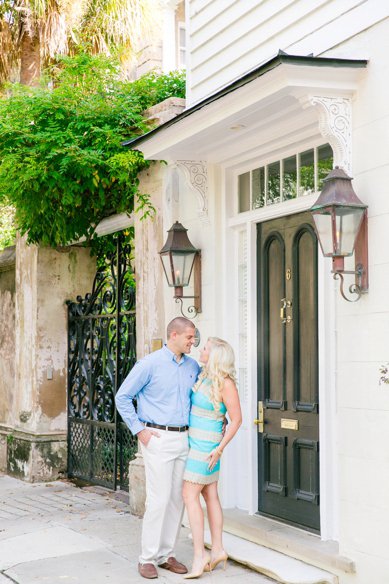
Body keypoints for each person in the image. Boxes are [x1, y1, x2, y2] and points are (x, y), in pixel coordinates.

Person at [115, 317, 200, 580]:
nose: (193, 341)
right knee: (158, 499)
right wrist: (140, 431)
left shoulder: (193, 366)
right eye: (189, 337)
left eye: (194, 337)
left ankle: (166, 555)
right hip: (158, 438)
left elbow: (201, 399)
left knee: (178, 499)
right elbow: (122, 397)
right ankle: (147, 558)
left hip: (185, 438)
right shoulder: (149, 364)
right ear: (173, 335)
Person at [182, 337, 242, 579]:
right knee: (209, 494)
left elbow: (236, 419)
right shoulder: (205, 376)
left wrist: (219, 449)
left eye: (204, 348)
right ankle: (217, 549)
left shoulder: (226, 383)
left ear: (215, 355)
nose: (200, 350)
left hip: (206, 447)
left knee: (189, 494)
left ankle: (200, 554)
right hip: (195, 441)